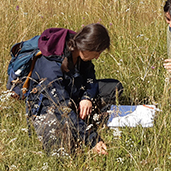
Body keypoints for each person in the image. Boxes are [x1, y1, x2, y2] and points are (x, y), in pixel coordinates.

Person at [25, 23, 123, 156]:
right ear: (88, 47)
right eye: (97, 52)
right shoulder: (51, 66)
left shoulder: (81, 52)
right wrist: (93, 140)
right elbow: (62, 108)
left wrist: (87, 98)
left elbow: (90, 78)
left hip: (74, 94)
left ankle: (88, 119)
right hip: (50, 108)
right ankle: (85, 124)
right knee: (60, 150)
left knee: (115, 88)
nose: (97, 57)